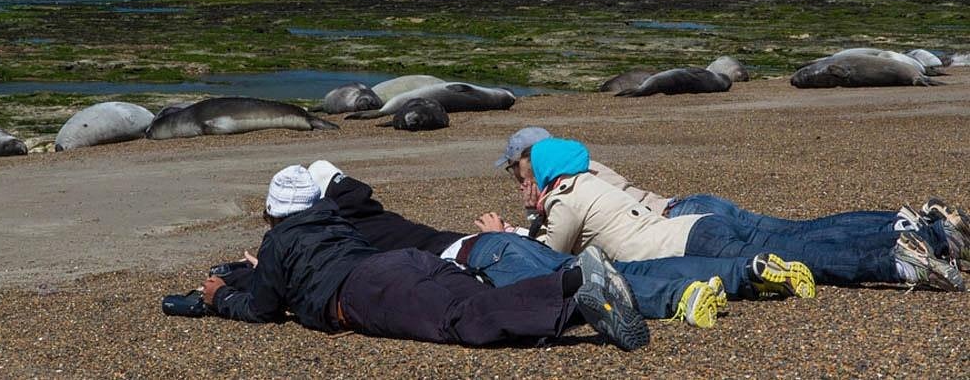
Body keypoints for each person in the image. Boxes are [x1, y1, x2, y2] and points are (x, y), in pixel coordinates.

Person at [305, 161, 814, 328]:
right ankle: (745, 271)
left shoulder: (342, 236)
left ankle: (681, 296)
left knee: (590, 283)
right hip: (490, 244)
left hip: (483, 253)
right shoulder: (378, 216)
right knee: (608, 270)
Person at [191, 164, 650, 350]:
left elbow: (264, 309)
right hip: (403, 262)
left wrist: (220, 297)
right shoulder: (332, 220)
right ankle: (583, 296)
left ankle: (576, 283)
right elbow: (314, 261)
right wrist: (268, 272)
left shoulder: (279, 241)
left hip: (364, 289)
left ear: (272, 213)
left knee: (459, 321)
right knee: (480, 303)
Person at [501, 135, 964, 291]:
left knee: (803, 250)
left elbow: (547, 258)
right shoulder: (587, 177)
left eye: (525, 174)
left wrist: (510, 232)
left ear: (540, 168)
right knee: (801, 239)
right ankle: (920, 234)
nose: (524, 182)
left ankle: (898, 258)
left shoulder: (565, 196)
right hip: (696, 222)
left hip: (686, 232)